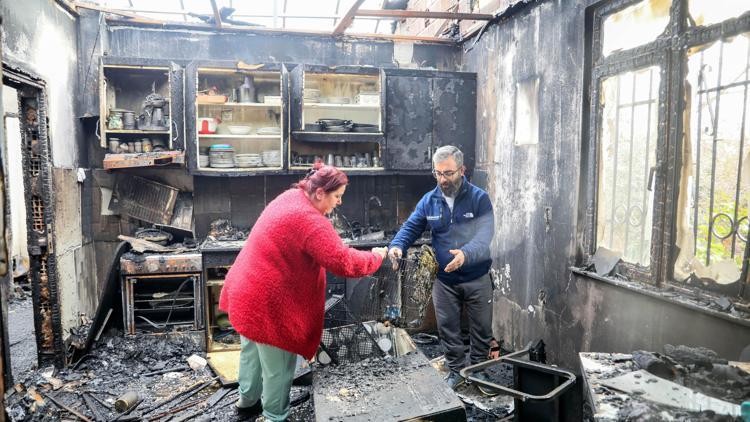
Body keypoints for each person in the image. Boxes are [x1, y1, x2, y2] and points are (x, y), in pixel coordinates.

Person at [219, 163, 387, 421]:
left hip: (244, 290)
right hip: (268, 302)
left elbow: (325, 249)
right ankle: (275, 416)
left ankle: (247, 403)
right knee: (279, 368)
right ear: (320, 193)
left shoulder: (290, 197)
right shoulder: (310, 221)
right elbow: (343, 261)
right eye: (337, 196)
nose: (339, 202)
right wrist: (376, 258)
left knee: (251, 353)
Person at [388, 145, 495, 393]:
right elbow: (411, 227)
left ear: (462, 170)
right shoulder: (429, 200)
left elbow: (485, 235)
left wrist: (466, 254)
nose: (443, 179)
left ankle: (479, 372)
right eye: (437, 174)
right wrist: (396, 246)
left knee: (481, 328)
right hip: (444, 280)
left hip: (476, 276)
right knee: (447, 327)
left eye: (448, 173)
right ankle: (457, 370)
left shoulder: (479, 198)